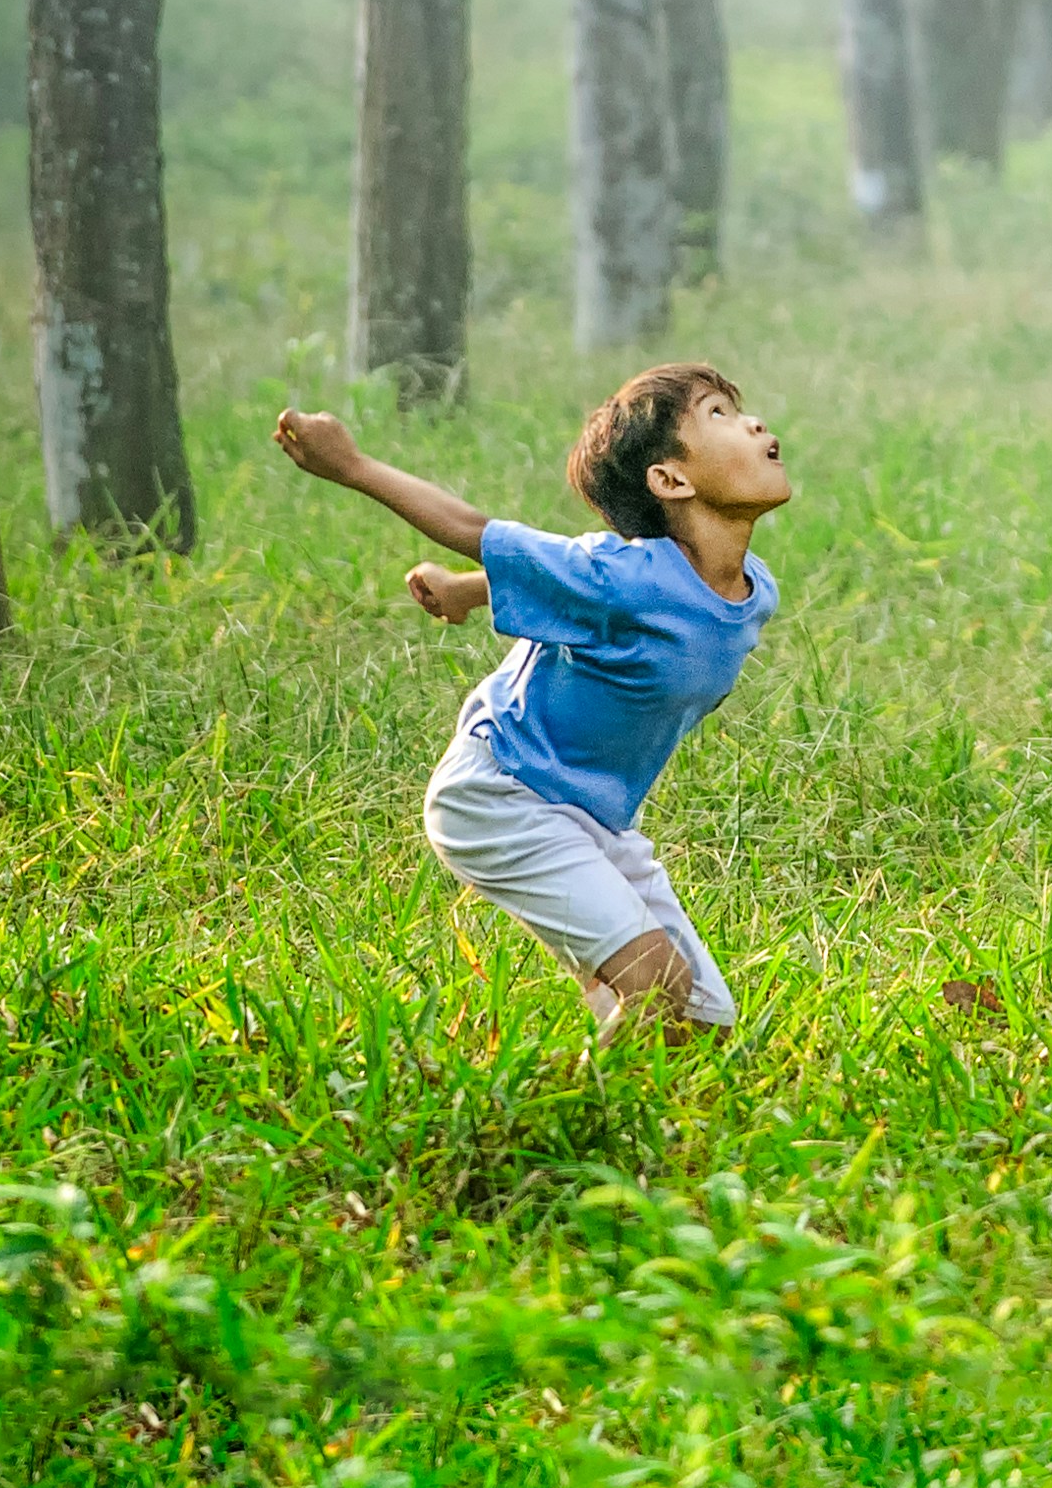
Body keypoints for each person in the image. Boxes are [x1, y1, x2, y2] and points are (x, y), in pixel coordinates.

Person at [272, 363, 792, 1033]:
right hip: (502, 794)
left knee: (701, 1022)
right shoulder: (621, 574)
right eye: (718, 414)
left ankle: (620, 1074)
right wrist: (351, 464)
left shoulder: (754, 591)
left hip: (594, 818)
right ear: (670, 478)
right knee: (657, 990)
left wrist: (464, 589)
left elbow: (571, 592)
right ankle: (548, 1122)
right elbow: (476, 528)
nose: (752, 422)